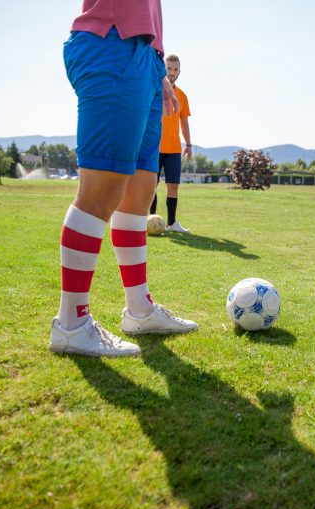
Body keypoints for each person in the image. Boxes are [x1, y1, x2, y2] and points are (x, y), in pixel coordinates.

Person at [50, 0, 198, 358]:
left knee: (140, 190)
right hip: (113, 42)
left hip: (147, 59)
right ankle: (71, 324)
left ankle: (139, 311)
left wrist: (156, 68)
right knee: (103, 189)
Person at [149, 54, 192, 233]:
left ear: (179, 72)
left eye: (175, 69)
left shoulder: (182, 96)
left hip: (174, 148)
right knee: (151, 185)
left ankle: (172, 223)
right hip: (153, 147)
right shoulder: (153, 90)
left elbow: (184, 122)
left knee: (173, 186)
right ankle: (149, 220)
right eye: (169, 68)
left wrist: (188, 145)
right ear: (163, 68)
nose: (172, 72)